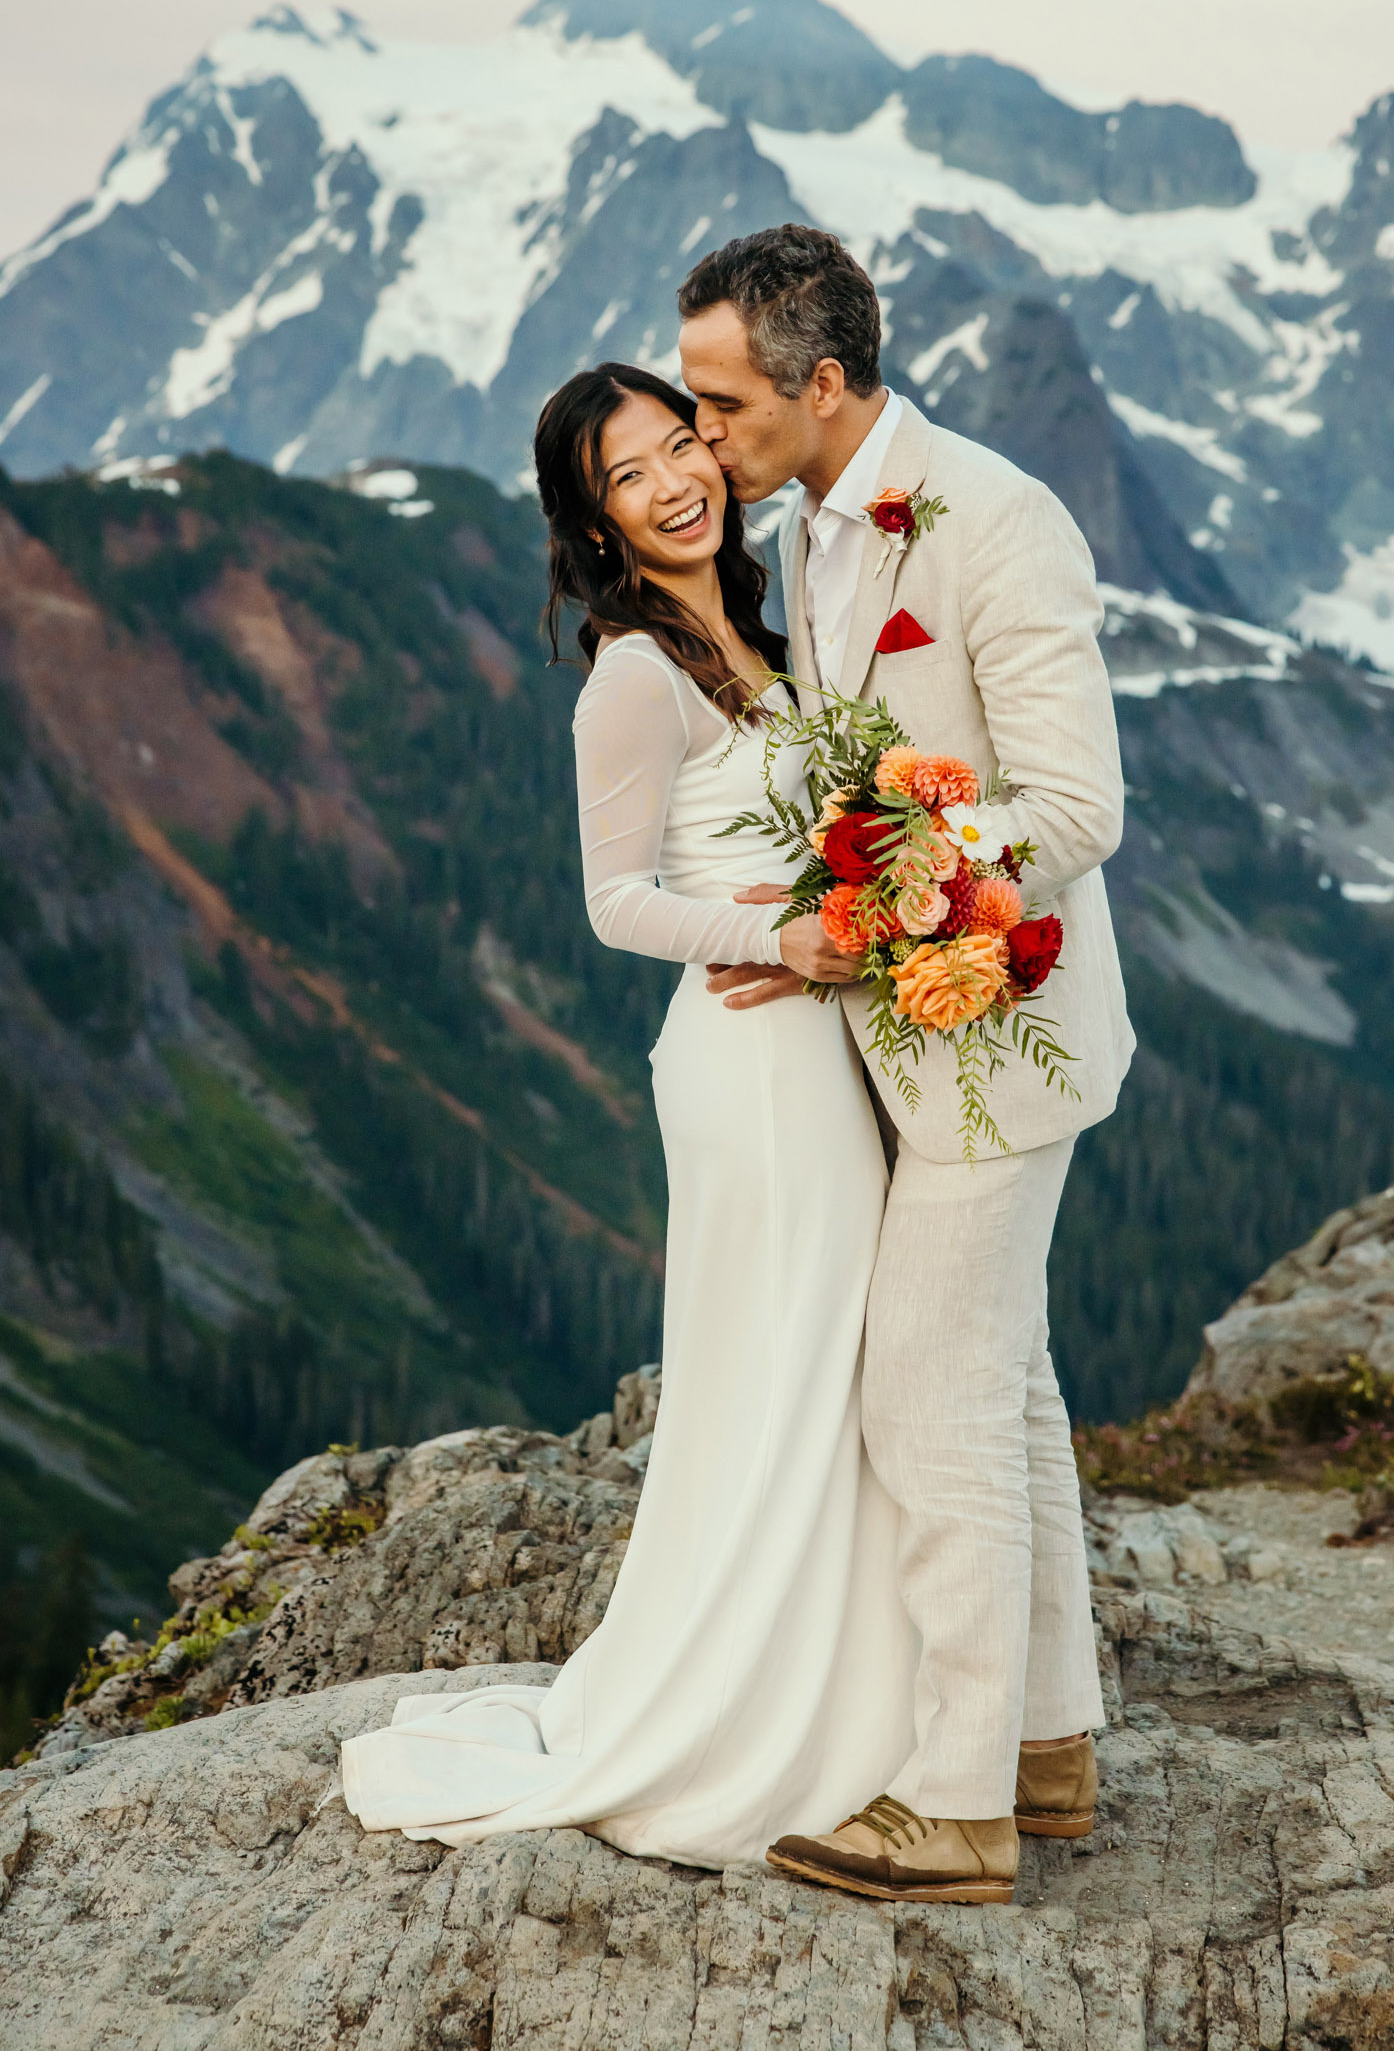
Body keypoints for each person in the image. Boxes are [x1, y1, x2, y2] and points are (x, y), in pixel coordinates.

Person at [338, 362, 918, 1869]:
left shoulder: (761, 629)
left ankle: (854, 1690)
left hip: (819, 1047)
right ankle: (765, 1720)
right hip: (750, 1064)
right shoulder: (634, 671)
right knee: (787, 1360)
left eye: (683, 445)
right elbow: (611, 906)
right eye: (630, 475)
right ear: (590, 521)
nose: (675, 483)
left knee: (830, 1360)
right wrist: (780, 939)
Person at [679, 224, 1134, 1905]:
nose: (702, 433)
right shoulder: (808, 524)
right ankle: (1049, 1743)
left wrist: (895, 879)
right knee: (1007, 1384)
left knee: (924, 1397)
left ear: (824, 380)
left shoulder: (1000, 522)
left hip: (1004, 1032)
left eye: (723, 403)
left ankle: (956, 1807)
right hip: (905, 1028)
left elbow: (1079, 806)